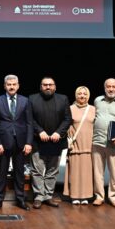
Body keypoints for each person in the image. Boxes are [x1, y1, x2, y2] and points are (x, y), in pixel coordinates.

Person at [0, 74, 33, 211]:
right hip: (3, 143)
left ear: (18, 85)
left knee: (19, 174)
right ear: (5, 86)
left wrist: (28, 143)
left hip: (20, 143)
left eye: (14, 84)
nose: (12, 86)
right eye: (9, 84)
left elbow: (29, 123)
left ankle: (20, 200)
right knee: (1, 174)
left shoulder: (25, 101)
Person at [28, 77, 70, 209]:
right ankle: (39, 196)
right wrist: (39, 131)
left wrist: (59, 132)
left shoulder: (63, 99)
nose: (48, 87)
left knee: (52, 170)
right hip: (37, 141)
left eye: (50, 85)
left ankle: (48, 196)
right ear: (40, 87)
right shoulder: (32, 99)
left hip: (56, 141)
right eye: (45, 85)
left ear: (55, 87)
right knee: (37, 171)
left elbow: (67, 119)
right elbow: (29, 119)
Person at [91, 78, 115, 207]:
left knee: (114, 172)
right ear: (104, 88)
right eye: (108, 86)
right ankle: (99, 196)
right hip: (97, 141)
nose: (111, 89)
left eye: (114, 87)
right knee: (97, 172)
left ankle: (114, 197)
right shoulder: (97, 101)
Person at [66, 86, 95, 205]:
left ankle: (86, 196)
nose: (82, 96)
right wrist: (69, 140)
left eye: (84, 94)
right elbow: (66, 126)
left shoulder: (93, 109)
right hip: (76, 146)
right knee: (75, 172)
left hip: (90, 146)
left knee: (87, 172)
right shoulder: (70, 109)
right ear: (75, 95)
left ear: (88, 96)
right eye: (79, 94)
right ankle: (75, 196)